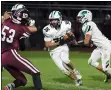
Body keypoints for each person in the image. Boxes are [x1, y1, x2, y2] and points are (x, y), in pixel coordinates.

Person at [2, 8, 43, 90]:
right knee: (35, 72)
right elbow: (36, 28)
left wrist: (3, 18)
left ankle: (9, 87)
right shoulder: (21, 28)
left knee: (22, 80)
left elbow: (5, 18)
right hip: (10, 54)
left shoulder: (5, 22)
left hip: (2, 56)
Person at [43, 10, 82, 86]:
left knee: (66, 60)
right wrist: (60, 41)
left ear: (60, 19)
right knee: (63, 69)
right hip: (53, 50)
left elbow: (70, 33)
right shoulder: (47, 30)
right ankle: (77, 80)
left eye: (55, 20)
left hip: (63, 46)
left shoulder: (66, 24)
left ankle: (75, 71)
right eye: (51, 20)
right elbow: (47, 44)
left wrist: (73, 40)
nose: (53, 22)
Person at [77, 9, 111, 82]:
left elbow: (86, 42)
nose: (79, 19)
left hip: (105, 46)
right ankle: (108, 74)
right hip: (100, 47)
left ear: (86, 17)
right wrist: (89, 42)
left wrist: (79, 43)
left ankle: (108, 72)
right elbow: (90, 41)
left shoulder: (88, 24)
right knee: (91, 61)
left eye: (81, 17)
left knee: (106, 68)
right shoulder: (88, 24)